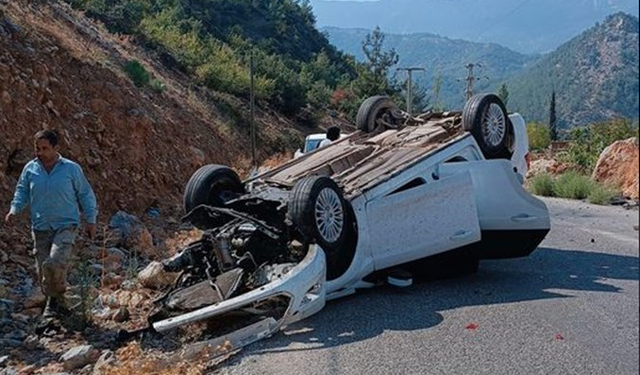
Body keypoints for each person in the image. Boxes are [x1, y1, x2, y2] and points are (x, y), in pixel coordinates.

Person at [5, 129, 98, 319]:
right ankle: (57, 304)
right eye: (37, 148)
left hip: (66, 225)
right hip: (40, 227)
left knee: (55, 261)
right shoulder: (30, 169)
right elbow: (22, 191)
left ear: (56, 148)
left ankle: (54, 303)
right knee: (43, 269)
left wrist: (91, 220)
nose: (40, 152)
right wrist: (14, 209)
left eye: (45, 148)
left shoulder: (71, 169)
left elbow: (85, 194)